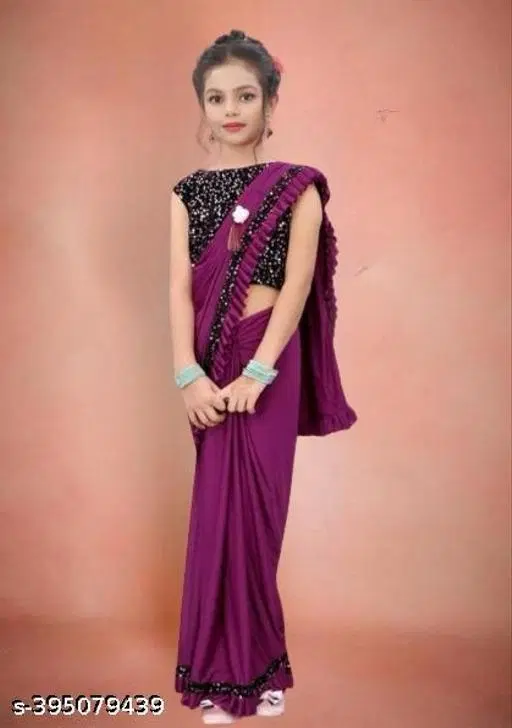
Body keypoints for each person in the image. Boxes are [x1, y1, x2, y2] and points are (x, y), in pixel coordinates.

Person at [170, 29, 357, 725]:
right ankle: (216, 676)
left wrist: (259, 370)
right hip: (207, 364)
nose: (230, 110)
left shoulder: (297, 188)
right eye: (216, 98)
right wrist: (187, 375)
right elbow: (177, 289)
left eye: (245, 96)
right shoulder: (187, 193)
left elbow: (298, 285)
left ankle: (257, 672)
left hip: (265, 365)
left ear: (270, 102)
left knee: (256, 522)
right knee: (215, 517)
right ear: (202, 105)